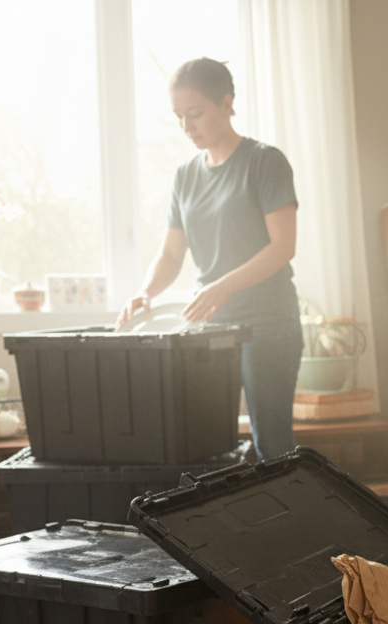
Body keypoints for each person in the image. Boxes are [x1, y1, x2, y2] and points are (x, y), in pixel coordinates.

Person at [116, 57, 303, 461]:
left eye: (195, 113)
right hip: (210, 330)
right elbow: (170, 254)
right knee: (206, 448)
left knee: (271, 446)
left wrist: (223, 286)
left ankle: (290, 524)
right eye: (180, 117)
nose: (187, 127)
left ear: (227, 103)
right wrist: (145, 293)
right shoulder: (184, 176)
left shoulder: (264, 162)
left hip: (267, 326)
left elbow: (282, 247)